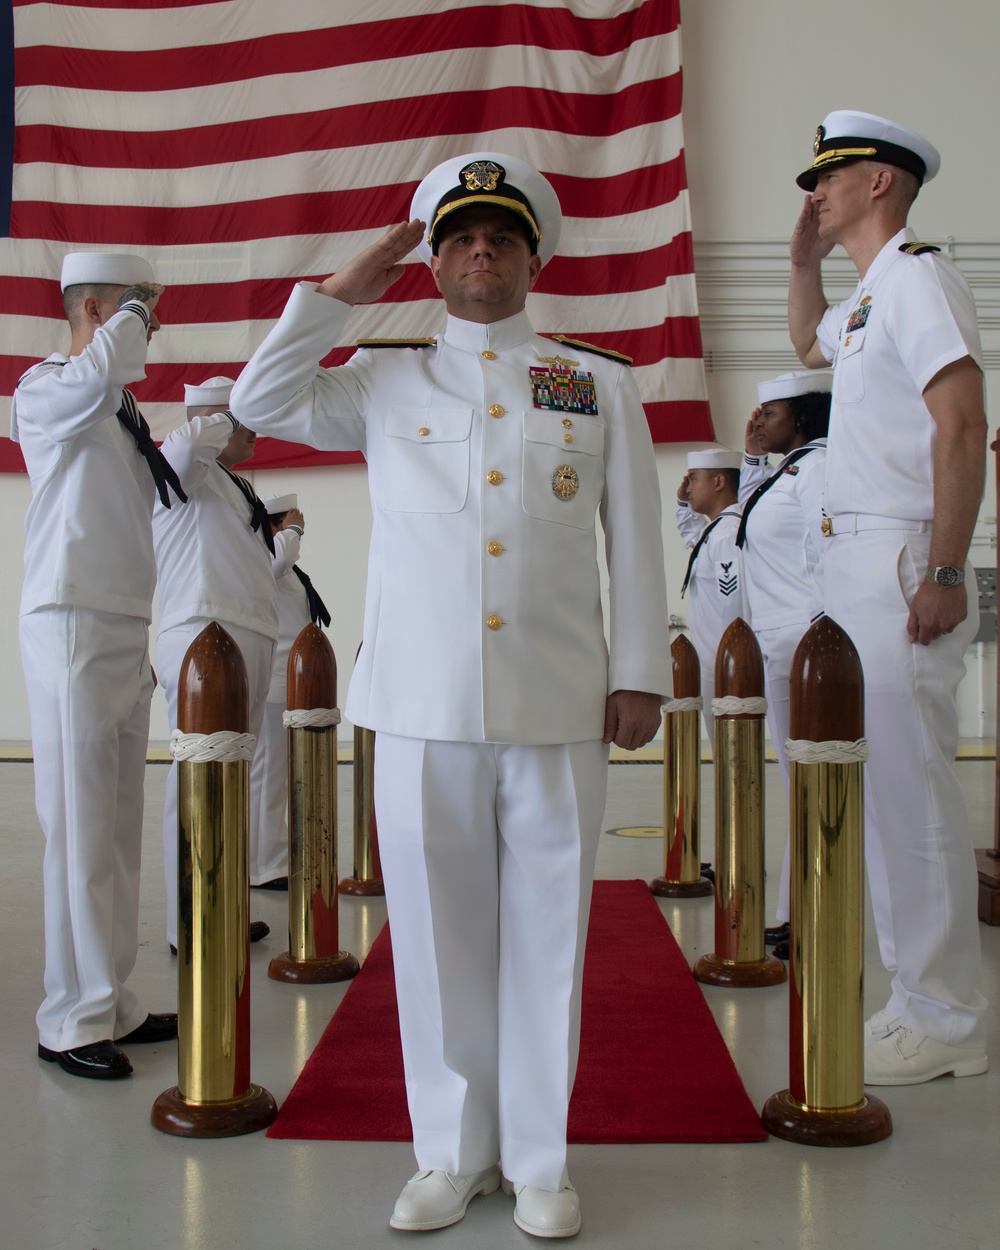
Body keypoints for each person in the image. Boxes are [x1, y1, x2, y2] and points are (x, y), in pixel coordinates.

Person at [231, 151, 671, 1239]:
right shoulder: (383, 381)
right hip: (422, 704)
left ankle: (538, 1161)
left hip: (559, 699)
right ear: (432, 262)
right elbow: (257, 399)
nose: (482, 251)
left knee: (546, 938)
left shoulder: (593, 379)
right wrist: (353, 278)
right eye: (460, 238)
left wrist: (640, 673)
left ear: (532, 258)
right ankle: (448, 1152)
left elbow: (633, 533)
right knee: (433, 939)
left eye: (502, 237)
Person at [788, 110, 988, 1084]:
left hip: (905, 558)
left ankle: (948, 1014)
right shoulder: (867, 297)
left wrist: (949, 570)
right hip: (850, 561)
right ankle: (913, 996)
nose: (811, 191)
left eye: (826, 178)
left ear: (878, 183)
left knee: (915, 797)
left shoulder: (915, 277)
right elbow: (804, 336)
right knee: (879, 793)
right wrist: (799, 258)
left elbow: (960, 424)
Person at [14, 252, 183, 1080]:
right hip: (72, 616)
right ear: (92, 309)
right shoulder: (49, 387)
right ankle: (68, 1019)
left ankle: (108, 998)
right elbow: (92, 378)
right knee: (78, 826)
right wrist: (131, 315)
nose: (149, 326)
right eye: (132, 311)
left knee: (114, 827)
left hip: (121, 620)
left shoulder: (116, 406)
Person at [153, 376, 276, 952]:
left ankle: (222, 898)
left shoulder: (230, 482)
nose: (253, 432)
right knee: (197, 775)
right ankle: (191, 917)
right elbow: (178, 450)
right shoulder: (186, 466)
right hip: (203, 633)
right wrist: (228, 415)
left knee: (234, 777)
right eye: (243, 421)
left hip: (243, 632)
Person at [738, 371, 831, 958]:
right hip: (775, 640)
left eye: (768, 412)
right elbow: (745, 518)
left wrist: (826, 635)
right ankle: (793, 907)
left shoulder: (818, 468)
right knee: (792, 779)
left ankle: (803, 912)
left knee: (809, 781)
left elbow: (826, 551)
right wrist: (751, 455)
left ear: (800, 418)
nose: (758, 420)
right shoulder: (785, 474)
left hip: (803, 637)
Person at [248, 492, 331, 892]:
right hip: (275, 679)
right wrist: (292, 530)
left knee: (276, 774)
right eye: (286, 525)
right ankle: (263, 864)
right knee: (267, 772)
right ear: (275, 527)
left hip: (290, 680)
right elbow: (279, 559)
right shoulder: (265, 559)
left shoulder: (286, 569)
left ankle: (271, 854)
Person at [675, 449, 743, 744]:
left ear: (718, 482)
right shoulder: (715, 530)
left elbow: (734, 604)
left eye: (693, 479)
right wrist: (681, 502)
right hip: (713, 662)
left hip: (724, 663)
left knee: (731, 755)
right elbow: (692, 534)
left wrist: (733, 663)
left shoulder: (728, 533)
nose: (687, 488)